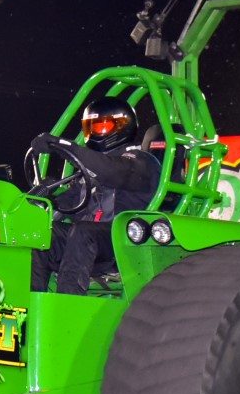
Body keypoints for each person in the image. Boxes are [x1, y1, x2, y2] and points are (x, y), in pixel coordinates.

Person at [30, 96, 160, 295]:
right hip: (88, 244)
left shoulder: (142, 162)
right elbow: (68, 205)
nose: (94, 134)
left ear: (122, 125)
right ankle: (31, 300)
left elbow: (111, 171)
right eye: (90, 128)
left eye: (101, 126)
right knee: (44, 232)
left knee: (83, 232)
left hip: (123, 241)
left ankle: (69, 300)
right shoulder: (88, 172)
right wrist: (43, 200)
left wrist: (63, 145)